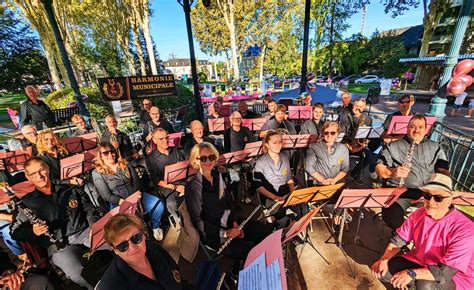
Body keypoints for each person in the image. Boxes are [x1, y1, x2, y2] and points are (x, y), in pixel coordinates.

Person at [371, 173, 474, 290]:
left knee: (425, 285)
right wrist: (384, 259)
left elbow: (445, 272)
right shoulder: (419, 213)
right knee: (382, 271)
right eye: (427, 195)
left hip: (455, 277)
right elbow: (399, 239)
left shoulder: (465, 229)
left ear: (450, 200)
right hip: (422, 261)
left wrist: (411, 274)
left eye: (438, 198)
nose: (430, 201)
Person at [11, 157, 99, 289]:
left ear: (47, 169)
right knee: (78, 273)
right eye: (33, 174)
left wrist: (94, 227)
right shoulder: (26, 203)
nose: (39, 176)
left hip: (85, 232)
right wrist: (33, 231)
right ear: (28, 177)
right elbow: (15, 232)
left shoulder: (69, 189)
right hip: (58, 246)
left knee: (118, 245)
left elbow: (89, 209)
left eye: (41, 171)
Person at [185, 142, 272, 272]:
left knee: (265, 231)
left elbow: (229, 201)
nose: (208, 161)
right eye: (203, 158)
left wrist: (235, 222)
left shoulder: (217, 175)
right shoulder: (193, 187)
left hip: (230, 222)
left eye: (211, 157)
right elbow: (198, 222)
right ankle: (238, 271)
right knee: (249, 250)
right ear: (195, 161)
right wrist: (225, 233)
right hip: (213, 232)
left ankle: (243, 265)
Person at [376, 115, 450, 230]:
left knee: (446, 216)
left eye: (420, 127)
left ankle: (425, 238)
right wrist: (393, 172)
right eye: (412, 127)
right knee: (392, 217)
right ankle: (403, 237)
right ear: (407, 128)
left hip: (427, 192)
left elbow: (443, 169)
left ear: (426, 130)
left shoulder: (435, 147)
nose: (416, 130)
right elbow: (380, 169)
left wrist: (446, 187)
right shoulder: (393, 146)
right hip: (401, 193)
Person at [92, 142, 165, 241]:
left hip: (135, 195)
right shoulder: (97, 173)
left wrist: (137, 195)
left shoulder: (125, 163)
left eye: (112, 151)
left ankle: (155, 225)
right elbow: (107, 195)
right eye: (105, 153)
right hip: (118, 202)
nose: (110, 155)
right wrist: (122, 202)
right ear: (100, 156)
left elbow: (137, 181)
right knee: (126, 224)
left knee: (158, 204)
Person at [97, 213, 189, 290]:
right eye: (122, 246)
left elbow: (179, 281)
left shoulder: (155, 249)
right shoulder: (110, 287)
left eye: (136, 238)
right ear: (115, 250)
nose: (133, 248)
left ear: (144, 235)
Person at [254, 131, 304, 228]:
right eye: (275, 142)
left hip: (285, 193)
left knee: (303, 209)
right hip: (270, 196)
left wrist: (293, 193)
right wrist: (275, 197)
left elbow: (289, 179)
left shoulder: (284, 157)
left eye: (280, 142)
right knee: (281, 214)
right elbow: (258, 187)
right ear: (267, 145)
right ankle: (281, 230)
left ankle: (288, 229)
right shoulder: (260, 162)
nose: (278, 145)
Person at [305, 121, 349, 231]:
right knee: (338, 195)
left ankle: (337, 219)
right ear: (322, 133)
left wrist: (334, 180)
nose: (329, 135)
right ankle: (338, 215)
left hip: (336, 182)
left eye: (333, 133)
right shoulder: (314, 147)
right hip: (319, 183)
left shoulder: (343, 148)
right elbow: (309, 167)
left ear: (337, 134)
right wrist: (323, 180)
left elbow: (345, 168)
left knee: (345, 194)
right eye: (326, 132)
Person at [145, 128, 185, 225]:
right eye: (161, 139)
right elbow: (156, 180)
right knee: (172, 203)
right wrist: (175, 187)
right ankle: (179, 220)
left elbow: (184, 166)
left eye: (166, 137)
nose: (165, 141)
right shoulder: (151, 158)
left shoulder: (175, 151)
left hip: (181, 181)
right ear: (154, 140)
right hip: (166, 186)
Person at [339, 97, 375, 184]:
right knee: (342, 157)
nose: (358, 108)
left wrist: (366, 142)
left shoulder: (368, 119)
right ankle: (342, 175)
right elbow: (341, 134)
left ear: (364, 107)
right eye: (356, 105)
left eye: (360, 106)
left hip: (359, 145)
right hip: (346, 144)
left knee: (369, 157)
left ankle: (355, 174)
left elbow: (368, 134)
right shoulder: (345, 117)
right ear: (353, 105)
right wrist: (347, 145)